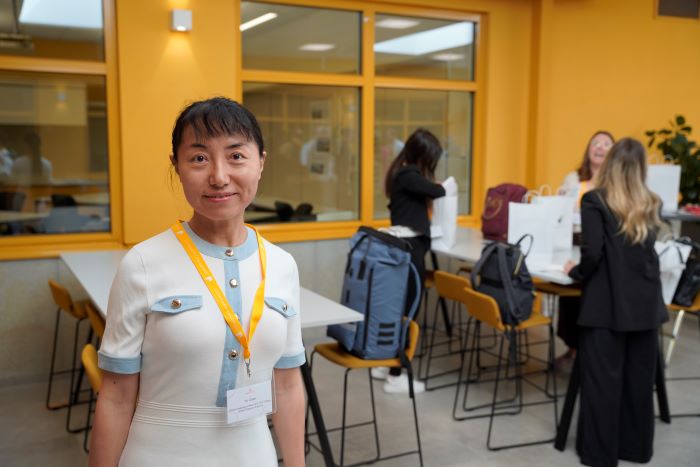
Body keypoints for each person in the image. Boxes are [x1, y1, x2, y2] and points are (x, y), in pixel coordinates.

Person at [89, 97, 306, 466]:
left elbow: (286, 387)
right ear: (177, 166)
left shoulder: (282, 265)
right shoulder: (142, 264)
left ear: (261, 162)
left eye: (236, 156)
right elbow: (116, 398)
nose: (219, 176)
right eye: (199, 158)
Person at [563, 138, 667, 467]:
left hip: (606, 305)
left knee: (601, 383)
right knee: (639, 383)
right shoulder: (652, 202)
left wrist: (575, 271)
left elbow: (593, 253)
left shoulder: (595, 200)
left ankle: (600, 455)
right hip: (646, 306)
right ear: (641, 169)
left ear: (610, 164)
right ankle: (635, 449)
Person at [371, 128, 446, 395]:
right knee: (408, 313)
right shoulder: (409, 175)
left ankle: (386, 364)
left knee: (397, 311)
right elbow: (438, 191)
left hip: (403, 249)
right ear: (423, 155)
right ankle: (396, 376)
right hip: (410, 251)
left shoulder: (400, 173)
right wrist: (444, 186)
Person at [556, 130, 615, 373]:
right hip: (572, 242)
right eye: (595, 143)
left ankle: (590, 352)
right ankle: (572, 348)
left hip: (599, 247)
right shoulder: (573, 178)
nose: (599, 147)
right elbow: (560, 209)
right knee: (569, 293)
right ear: (588, 149)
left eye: (606, 144)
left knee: (591, 293)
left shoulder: (614, 183)